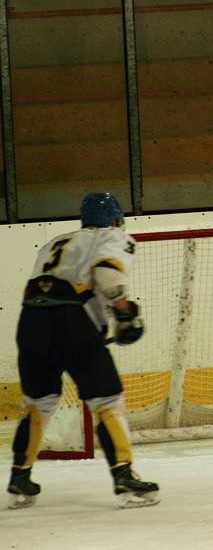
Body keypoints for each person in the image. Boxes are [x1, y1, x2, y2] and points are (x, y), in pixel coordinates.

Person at [6, 192, 158, 510]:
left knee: (39, 401)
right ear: (116, 219)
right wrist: (124, 311)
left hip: (31, 322)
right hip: (70, 322)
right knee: (107, 400)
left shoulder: (56, 242)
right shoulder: (114, 235)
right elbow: (107, 275)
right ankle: (124, 477)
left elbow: (45, 285)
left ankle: (20, 477)